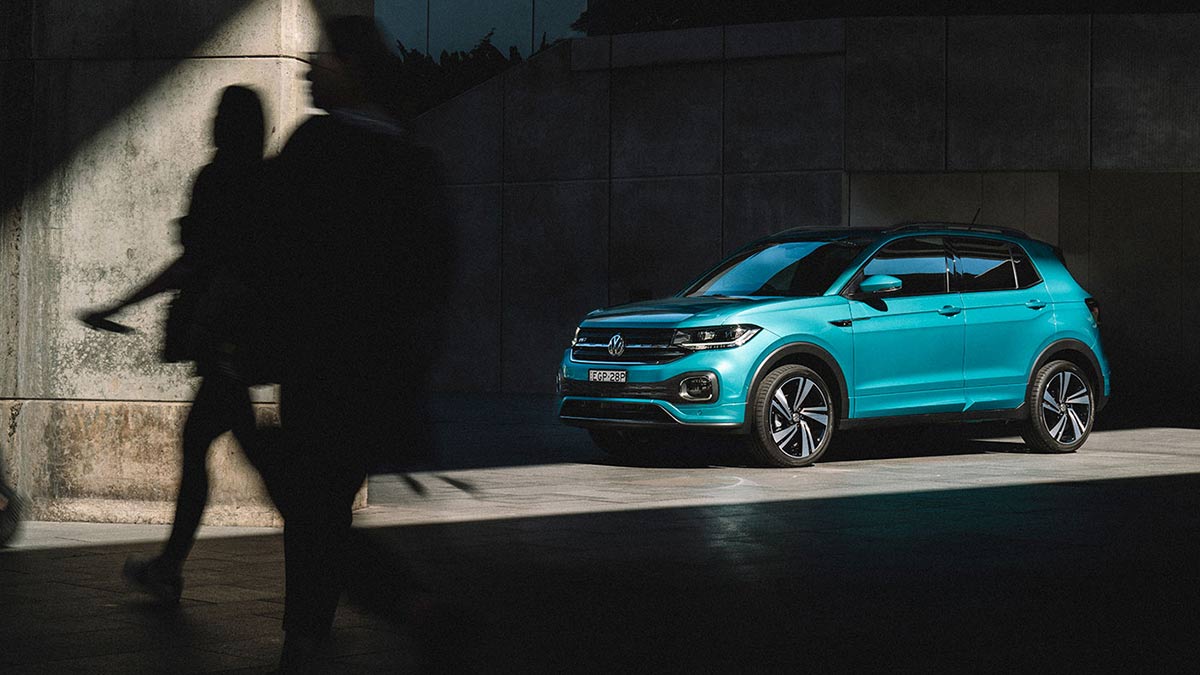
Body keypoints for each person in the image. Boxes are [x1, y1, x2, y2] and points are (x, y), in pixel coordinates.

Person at [254, 15, 451, 672]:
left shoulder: (316, 146)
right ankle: (312, 631)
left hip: (317, 364)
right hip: (380, 371)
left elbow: (271, 250)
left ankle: (398, 610)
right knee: (323, 503)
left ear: (352, 68)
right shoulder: (414, 160)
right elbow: (432, 277)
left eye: (322, 57)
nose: (309, 68)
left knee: (312, 507)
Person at [79, 85, 268, 603]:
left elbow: (195, 264)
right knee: (210, 444)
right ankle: (169, 566)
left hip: (221, 341)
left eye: (217, 115)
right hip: (238, 341)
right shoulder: (263, 181)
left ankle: (330, 548)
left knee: (246, 454)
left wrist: (119, 305)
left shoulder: (218, 180)